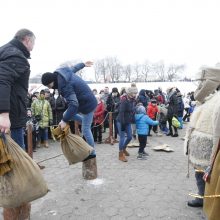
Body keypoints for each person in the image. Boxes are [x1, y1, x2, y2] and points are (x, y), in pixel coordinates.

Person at [0, 28, 35, 220]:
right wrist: (4, 113)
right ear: (26, 40)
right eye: (33, 44)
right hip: (11, 119)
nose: (33, 48)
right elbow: (2, 81)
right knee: (16, 165)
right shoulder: (16, 55)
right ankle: (16, 203)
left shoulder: (5, 51)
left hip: (11, 115)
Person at [41, 61, 97, 161]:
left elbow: (74, 104)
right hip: (83, 101)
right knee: (65, 114)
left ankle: (92, 153)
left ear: (51, 81)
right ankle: (85, 122)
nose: (49, 88)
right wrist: (83, 64)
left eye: (49, 86)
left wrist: (64, 121)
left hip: (88, 103)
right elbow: (73, 68)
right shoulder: (62, 73)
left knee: (85, 129)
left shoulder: (65, 85)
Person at [184, 66, 220, 210]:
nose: (199, 86)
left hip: (211, 154)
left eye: (202, 82)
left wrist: (212, 160)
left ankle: (211, 205)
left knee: (212, 179)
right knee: (199, 175)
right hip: (200, 154)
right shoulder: (207, 98)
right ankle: (202, 196)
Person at [117, 86, 138, 162]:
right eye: (134, 93)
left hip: (128, 121)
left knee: (129, 137)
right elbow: (121, 112)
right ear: (130, 93)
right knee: (122, 138)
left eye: (136, 93)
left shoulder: (132, 100)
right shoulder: (124, 100)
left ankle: (124, 148)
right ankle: (120, 154)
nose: (135, 94)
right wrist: (122, 124)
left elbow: (132, 111)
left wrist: (133, 120)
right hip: (121, 121)